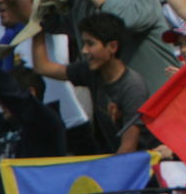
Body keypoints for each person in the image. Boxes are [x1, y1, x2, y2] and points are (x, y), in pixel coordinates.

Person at [29, 12, 153, 154]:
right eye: (83, 44)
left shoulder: (133, 87)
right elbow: (42, 67)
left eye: (90, 44)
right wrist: (36, 27)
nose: (84, 50)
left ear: (112, 47)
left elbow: (128, 148)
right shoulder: (91, 71)